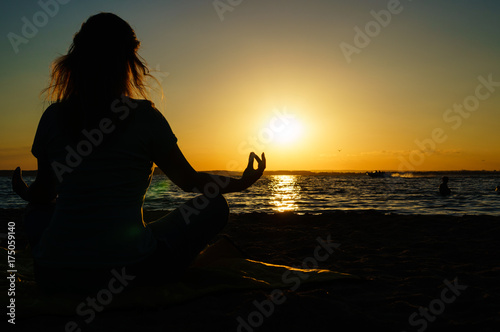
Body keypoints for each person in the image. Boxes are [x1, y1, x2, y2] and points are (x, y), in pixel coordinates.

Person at [11, 13, 266, 294]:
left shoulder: (52, 117)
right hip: (131, 274)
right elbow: (189, 181)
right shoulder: (145, 117)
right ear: (128, 62)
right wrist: (241, 183)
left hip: (54, 276)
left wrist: (26, 193)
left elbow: (44, 194)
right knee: (215, 207)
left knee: (35, 213)